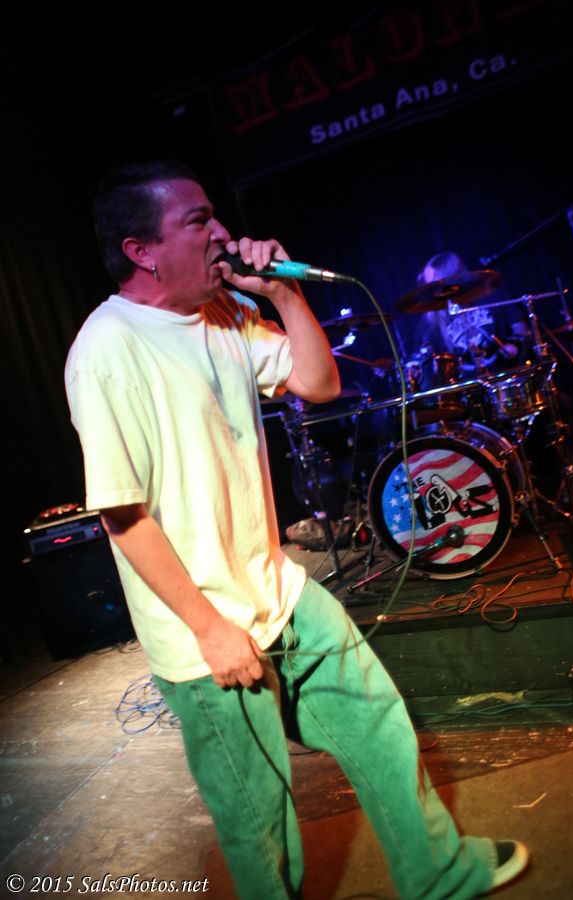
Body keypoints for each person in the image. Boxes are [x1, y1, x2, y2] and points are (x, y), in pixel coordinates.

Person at [65, 160, 529, 898]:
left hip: (278, 589)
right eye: (198, 220)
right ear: (141, 250)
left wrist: (282, 292)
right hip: (204, 631)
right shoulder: (107, 351)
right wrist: (211, 630)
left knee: (376, 721)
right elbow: (124, 517)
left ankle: (438, 873)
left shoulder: (223, 312)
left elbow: (319, 382)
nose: (221, 232)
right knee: (260, 825)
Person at [410, 251, 531, 375]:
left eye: (434, 284)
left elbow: (520, 328)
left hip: (505, 374)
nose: (432, 290)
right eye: (429, 284)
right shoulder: (431, 319)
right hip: (467, 383)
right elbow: (421, 356)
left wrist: (513, 345)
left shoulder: (490, 294)